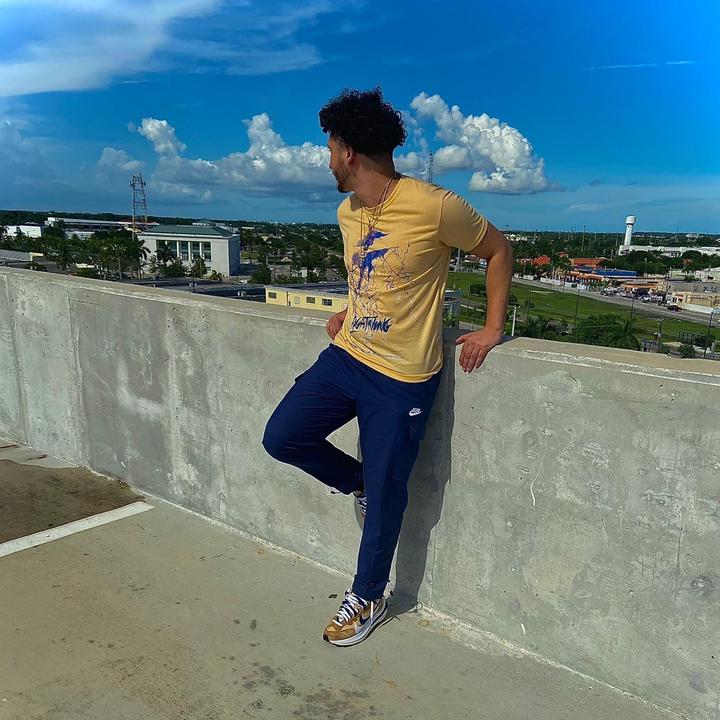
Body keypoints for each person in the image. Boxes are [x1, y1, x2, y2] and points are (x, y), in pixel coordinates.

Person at [263, 88, 512, 647]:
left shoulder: (434, 205)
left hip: (402, 378)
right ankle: (358, 483)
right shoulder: (347, 212)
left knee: (390, 490)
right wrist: (351, 308)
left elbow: (498, 250)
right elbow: (374, 276)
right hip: (348, 356)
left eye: (330, 148)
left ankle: (368, 595)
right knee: (282, 436)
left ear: (349, 151)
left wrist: (493, 329)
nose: (327, 160)